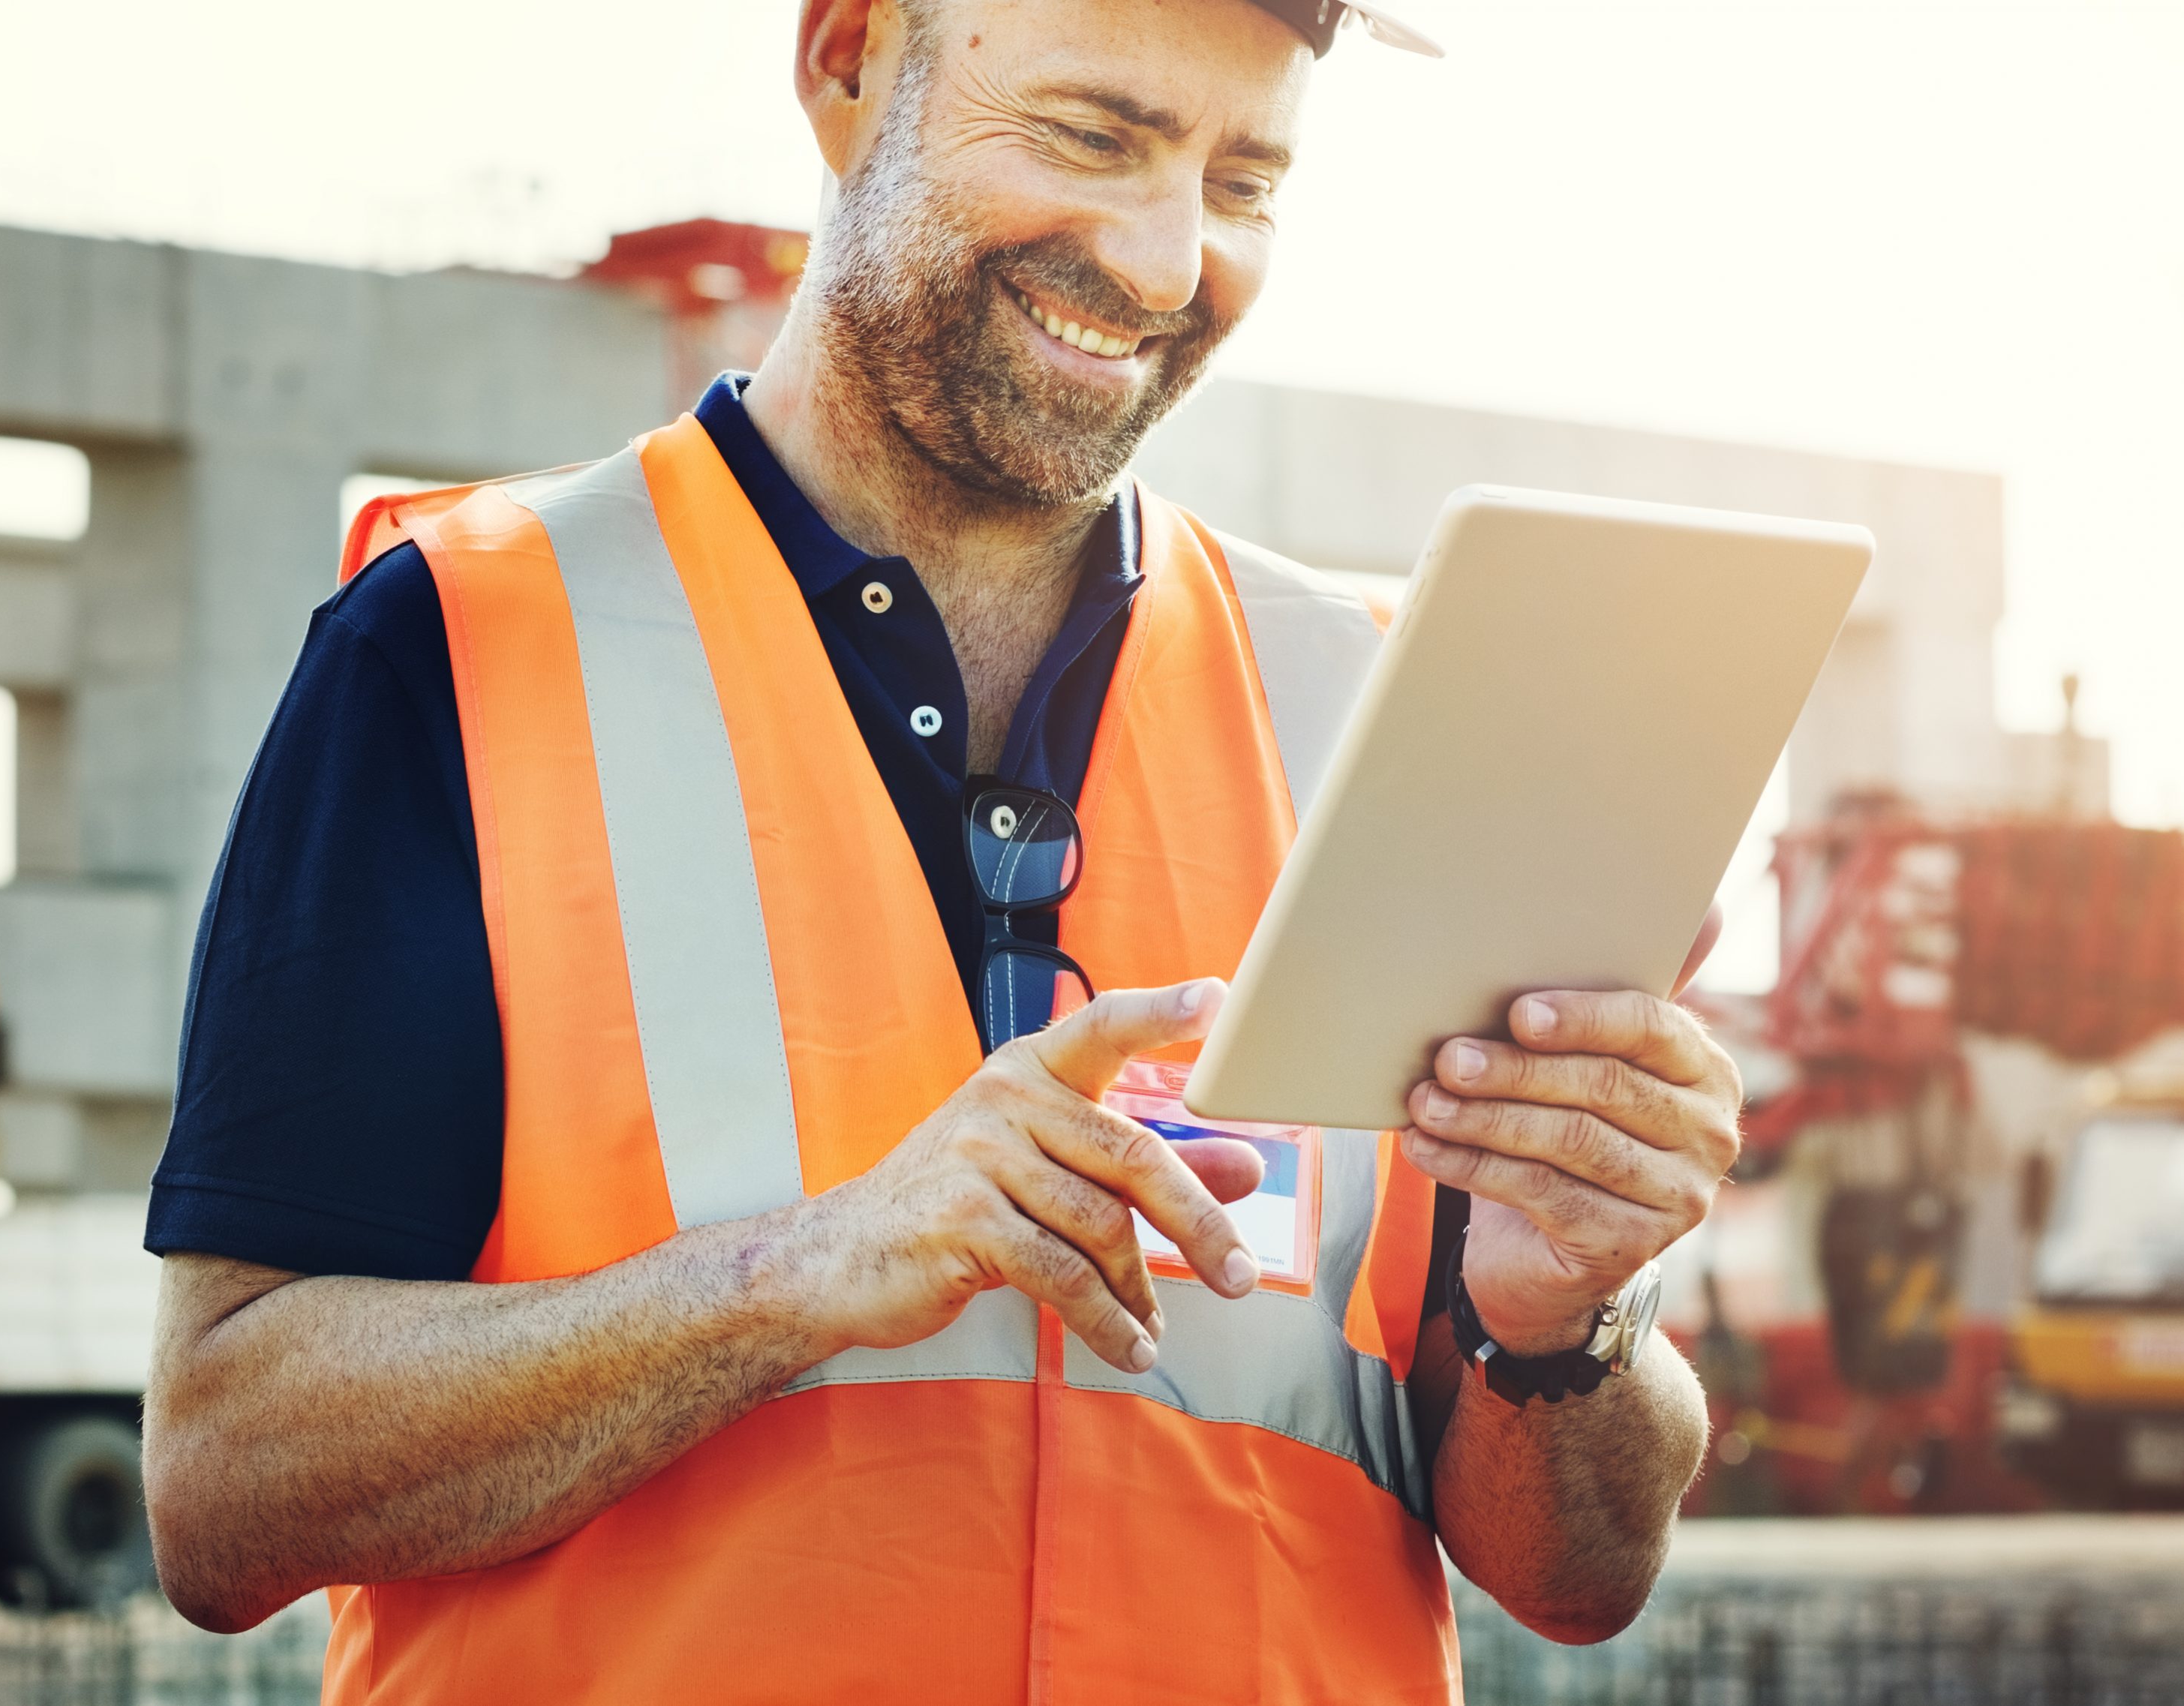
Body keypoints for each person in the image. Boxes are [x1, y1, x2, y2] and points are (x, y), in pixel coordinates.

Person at [140, 0, 1742, 1698]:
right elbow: (225, 1490)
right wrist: (795, 1274)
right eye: (1091, 134)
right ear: (847, 68)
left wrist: (1564, 1312)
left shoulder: (1376, 713)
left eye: (1245, 179)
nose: (1163, 256)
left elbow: (1579, 1579)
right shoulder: (462, 645)